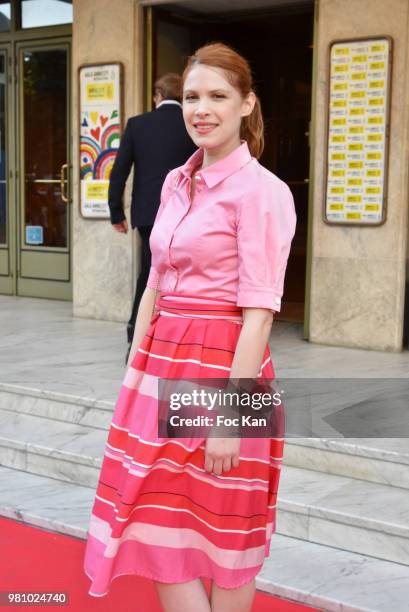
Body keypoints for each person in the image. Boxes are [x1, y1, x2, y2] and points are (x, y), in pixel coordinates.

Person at [84, 42, 297, 612]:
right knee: (153, 519)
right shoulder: (178, 181)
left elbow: (259, 314)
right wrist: (133, 377)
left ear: (247, 104)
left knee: (227, 528)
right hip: (162, 363)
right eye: (192, 97)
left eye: (218, 97)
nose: (202, 109)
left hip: (229, 369)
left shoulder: (263, 193)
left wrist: (229, 419)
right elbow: (154, 280)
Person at [107, 73, 197, 360]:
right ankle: (178, 341)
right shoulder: (191, 123)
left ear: (157, 95)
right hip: (186, 211)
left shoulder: (137, 124)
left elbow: (119, 171)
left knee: (149, 274)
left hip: (147, 213)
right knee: (185, 276)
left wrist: (116, 212)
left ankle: (136, 338)